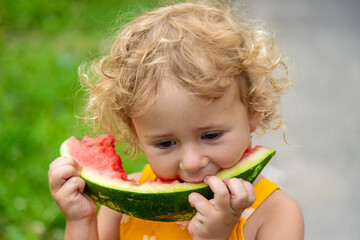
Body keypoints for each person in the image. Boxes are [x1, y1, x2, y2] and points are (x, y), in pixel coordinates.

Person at [48, 1, 304, 239]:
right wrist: (81, 222)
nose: (192, 163)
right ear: (135, 133)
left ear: (253, 112)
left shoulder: (275, 214)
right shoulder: (124, 207)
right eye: (166, 143)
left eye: (210, 136)